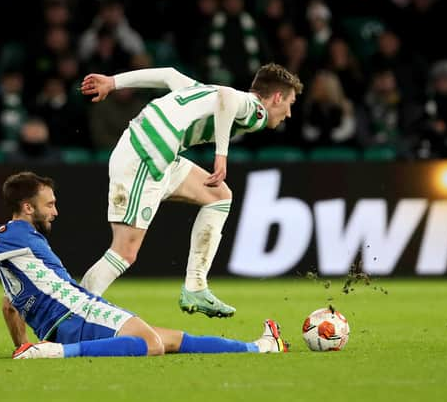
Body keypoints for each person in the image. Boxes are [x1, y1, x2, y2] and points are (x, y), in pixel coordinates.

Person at [0, 172, 288, 359]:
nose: (55, 210)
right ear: (28, 208)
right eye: (49, 204)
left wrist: (22, 344)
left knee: (170, 338)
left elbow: (10, 305)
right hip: (77, 310)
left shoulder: (18, 256)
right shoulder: (15, 235)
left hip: (61, 324)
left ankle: (260, 348)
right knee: (151, 344)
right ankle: (54, 355)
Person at [79, 63, 303, 317]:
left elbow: (169, 75)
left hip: (155, 150)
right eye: (290, 103)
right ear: (276, 97)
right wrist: (221, 156)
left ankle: (196, 286)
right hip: (147, 152)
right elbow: (227, 97)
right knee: (124, 252)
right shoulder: (255, 110)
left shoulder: (203, 91)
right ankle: (72, 313)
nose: (289, 114)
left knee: (219, 196)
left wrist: (112, 81)